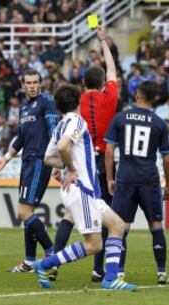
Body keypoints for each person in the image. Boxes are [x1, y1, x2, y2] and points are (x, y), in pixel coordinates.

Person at [33, 84, 137, 291]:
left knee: (117, 225)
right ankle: (44, 265)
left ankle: (111, 279)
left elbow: (48, 158)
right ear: (78, 101)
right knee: (94, 245)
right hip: (82, 189)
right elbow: (63, 147)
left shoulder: (61, 124)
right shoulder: (76, 121)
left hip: (86, 191)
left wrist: (63, 166)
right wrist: (71, 169)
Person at [52, 25, 120, 283]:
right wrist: (103, 42)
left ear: (82, 84)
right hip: (100, 162)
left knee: (69, 215)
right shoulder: (109, 98)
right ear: (103, 83)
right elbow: (112, 70)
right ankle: (97, 269)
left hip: (77, 161)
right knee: (104, 216)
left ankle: (55, 261)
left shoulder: (76, 105)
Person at [104, 81, 169, 284]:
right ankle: (161, 273)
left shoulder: (121, 117)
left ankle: (119, 272)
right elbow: (167, 158)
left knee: (120, 227)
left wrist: (110, 178)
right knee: (156, 225)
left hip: (125, 179)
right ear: (154, 99)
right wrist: (168, 185)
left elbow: (109, 151)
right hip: (149, 180)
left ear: (137, 95)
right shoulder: (160, 123)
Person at [0, 69, 57, 273]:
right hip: (26, 162)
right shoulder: (25, 107)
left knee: (23, 212)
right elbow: (20, 138)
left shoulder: (47, 102)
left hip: (38, 161)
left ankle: (52, 252)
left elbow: (54, 132)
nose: (33, 85)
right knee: (28, 213)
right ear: (23, 84)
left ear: (40, 83)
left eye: (36, 82)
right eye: (29, 82)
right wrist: (6, 159)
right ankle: (29, 261)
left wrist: (56, 161)